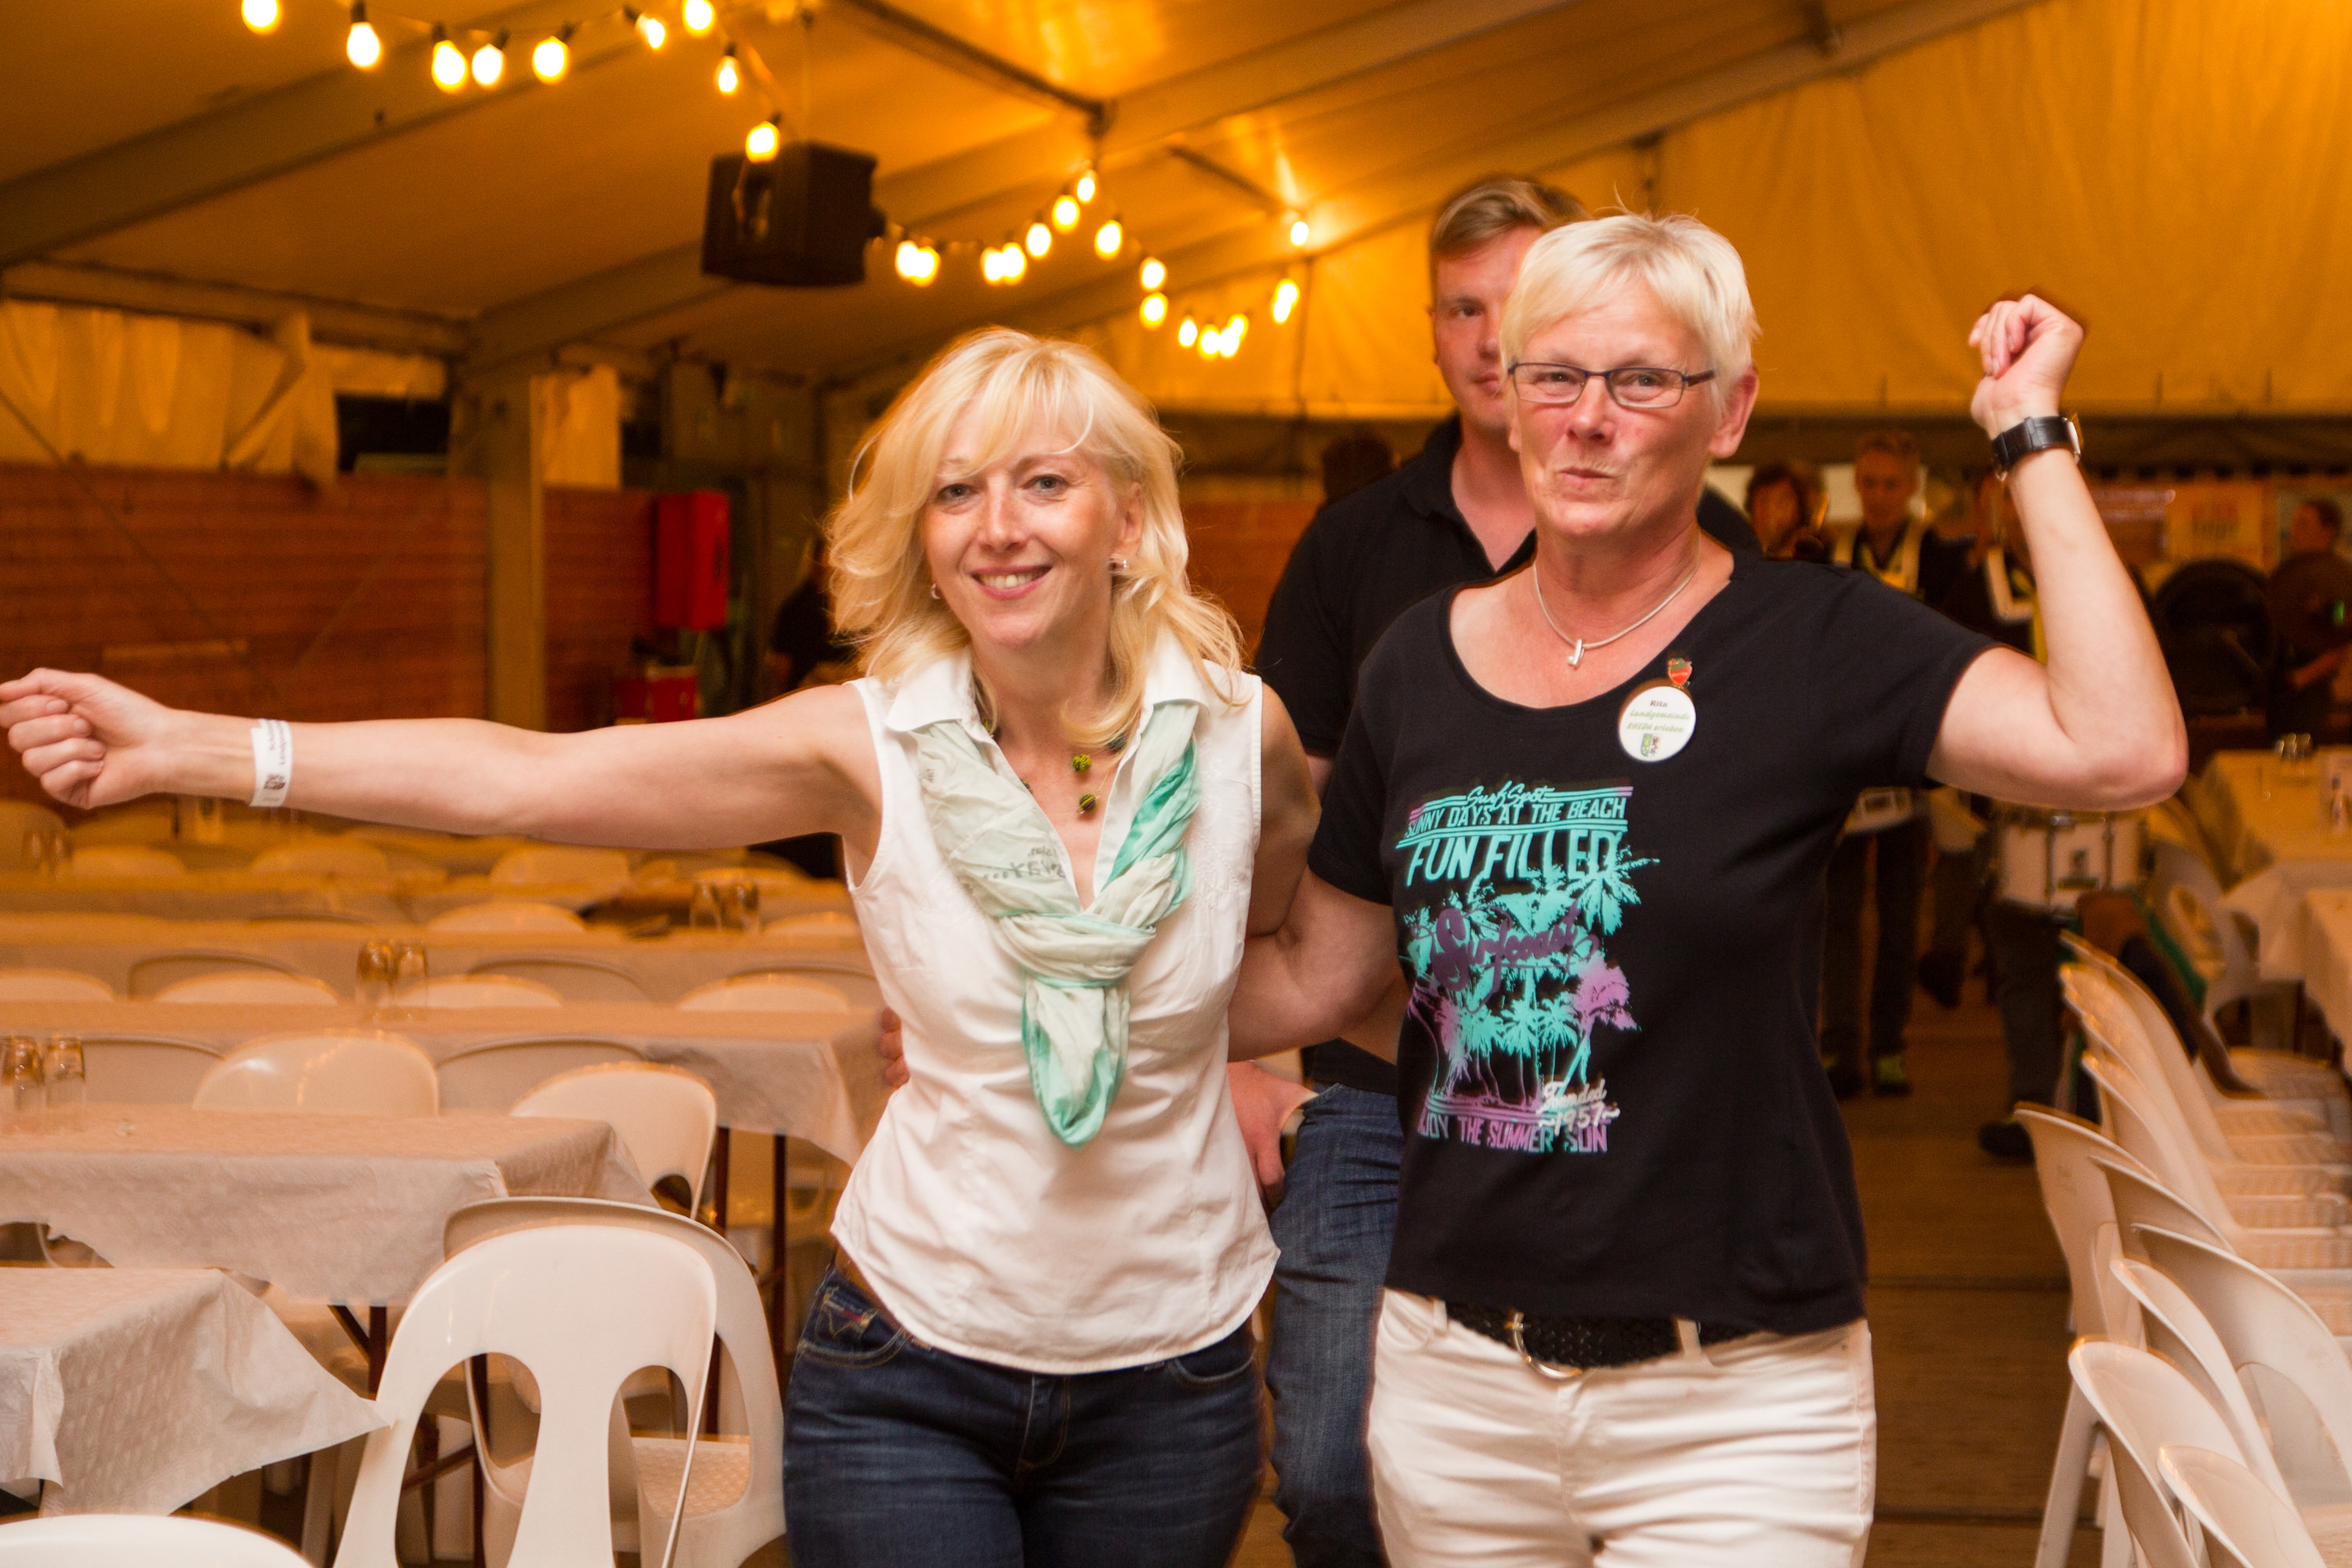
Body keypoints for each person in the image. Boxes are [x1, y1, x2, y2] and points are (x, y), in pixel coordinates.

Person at [2, 328, 1322, 1568]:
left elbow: (1261, 951)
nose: (997, 526)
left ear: (1127, 521)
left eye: (1044, 482)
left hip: (1170, 1372)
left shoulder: (1241, 740)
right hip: (912, 1363)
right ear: (925, 543)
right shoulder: (865, 746)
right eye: (956, 491)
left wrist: (1180, 1049)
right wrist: (192, 748)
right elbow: (525, 779)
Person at [1224, 213, 2184, 1565]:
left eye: (1641, 381)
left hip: (1735, 1402)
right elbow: (1316, 975)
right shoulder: (1415, 665)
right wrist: (1026, 1000)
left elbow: (2124, 747)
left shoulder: (1810, 638)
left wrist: (2029, 432)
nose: (1587, 418)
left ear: (1728, 411)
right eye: (1555, 376)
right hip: (1458, 1390)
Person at [1243, 173, 1761, 1568]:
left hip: (1614, 1095)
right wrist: (1244, 1051)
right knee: (1333, 1470)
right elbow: (1276, 813)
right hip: (1369, 1081)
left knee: (1592, 1472)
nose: (1492, 340)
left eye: (1518, 306)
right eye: (1464, 309)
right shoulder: (1353, 544)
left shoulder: (1694, 537)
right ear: (1434, 332)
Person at [1819, 429, 1969, 1098]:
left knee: (1903, 910)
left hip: (1913, 751)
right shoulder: (1830, 553)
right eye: (1869, 483)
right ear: (1856, 483)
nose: (1878, 496)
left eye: (1890, 484)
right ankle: (1841, 1043)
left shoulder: (1940, 559)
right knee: (1838, 909)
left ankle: (1889, 1042)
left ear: (1911, 487)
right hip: (1843, 757)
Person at [2265, 495, 2348, 744]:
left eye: (2304, 524)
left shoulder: (2337, 581)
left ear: (2327, 532)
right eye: (2295, 523)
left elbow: (2340, 638)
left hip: (2307, 690)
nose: (2295, 531)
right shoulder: (2291, 575)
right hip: (2281, 687)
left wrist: (2300, 678)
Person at [1744, 462, 1826, 560]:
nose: (1772, 510)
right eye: (1764, 501)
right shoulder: (1737, 556)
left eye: (1782, 501)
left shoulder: (1816, 558)